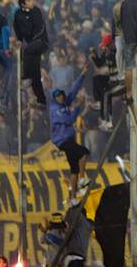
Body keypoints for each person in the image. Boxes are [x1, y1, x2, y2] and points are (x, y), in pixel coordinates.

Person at [50, 64, 93, 201]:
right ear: (54, 98)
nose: (61, 97)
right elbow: (69, 120)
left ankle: (73, 198)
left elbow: (73, 90)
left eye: (61, 95)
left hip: (67, 140)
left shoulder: (63, 104)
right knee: (84, 152)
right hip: (63, 141)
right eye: (58, 96)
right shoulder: (55, 109)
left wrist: (82, 74)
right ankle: (82, 180)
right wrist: (78, 106)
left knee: (74, 169)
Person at [13, 0, 50, 106]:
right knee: (36, 74)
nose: (31, 2)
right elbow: (17, 28)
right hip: (31, 45)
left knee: (27, 51)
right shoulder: (18, 14)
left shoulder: (36, 11)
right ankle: (41, 99)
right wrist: (19, 39)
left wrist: (32, 37)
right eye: (28, 1)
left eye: (31, 0)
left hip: (40, 41)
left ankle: (26, 78)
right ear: (23, 4)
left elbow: (40, 27)